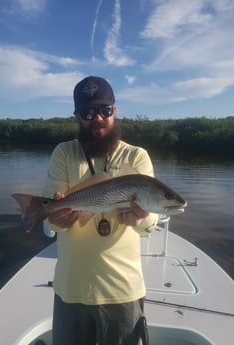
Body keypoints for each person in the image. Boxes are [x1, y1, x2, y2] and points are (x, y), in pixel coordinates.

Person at [43, 76, 158, 345]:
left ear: (115, 111)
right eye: (88, 112)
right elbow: (55, 223)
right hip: (71, 289)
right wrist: (55, 217)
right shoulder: (64, 153)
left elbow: (150, 223)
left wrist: (142, 217)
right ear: (77, 116)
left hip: (122, 291)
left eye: (105, 110)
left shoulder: (136, 156)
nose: (98, 118)